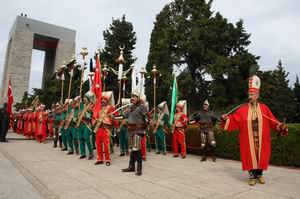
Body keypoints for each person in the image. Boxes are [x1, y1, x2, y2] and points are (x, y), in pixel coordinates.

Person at [221, 75, 288, 186]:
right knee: (250, 155)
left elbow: (273, 122)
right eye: (249, 94)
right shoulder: (242, 109)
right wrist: (225, 119)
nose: (250, 96)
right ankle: (252, 176)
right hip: (249, 139)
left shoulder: (264, 108)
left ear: (257, 95)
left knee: (261, 155)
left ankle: (260, 175)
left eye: (252, 94)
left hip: (261, 138)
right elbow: (233, 120)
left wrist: (280, 126)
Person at [122, 90, 148, 176]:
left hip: (138, 131)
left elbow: (148, 117)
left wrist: (146, 125)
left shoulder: (142, 107)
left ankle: (139, 169)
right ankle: (131, 167)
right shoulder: (130, 107)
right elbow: (124, 116)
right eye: (132, 96)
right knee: (132, 150)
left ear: (138, 98)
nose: (132, 98)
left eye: (134, 96)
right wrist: (114, 116)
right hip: (130, 131)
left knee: (136, 149)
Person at [94, 91, 119, 166]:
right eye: (101, 101)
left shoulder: (111, 109)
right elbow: (95, 118)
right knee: (98, 145)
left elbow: (116, 118)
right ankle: (100, 159)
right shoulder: (99, 110)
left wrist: (112, 118)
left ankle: (107, 159)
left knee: (106, 145)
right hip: (99, 129)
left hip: (106, 129)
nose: (102, 102)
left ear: (107, 102)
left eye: (104, 101)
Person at [78, 91, 95, 160]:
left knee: (87, 138)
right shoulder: (81, 105)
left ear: (88, 99)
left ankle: (91, 153)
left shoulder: (91, 106)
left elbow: (93, 114)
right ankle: (83, 153)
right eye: (83, 98)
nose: (84, 99)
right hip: (81, 124)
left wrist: (89, 111)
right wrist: (79, 115)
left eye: (86, 98)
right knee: (81, 138)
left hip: (87, 124)